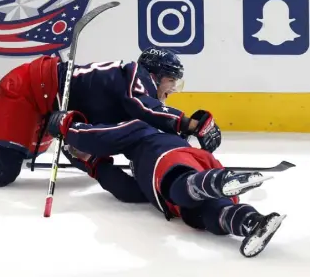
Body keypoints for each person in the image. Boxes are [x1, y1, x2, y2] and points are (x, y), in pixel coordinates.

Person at [0, 47, 218, 188]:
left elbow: (109, 130)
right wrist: (190, 123)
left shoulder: (132, 88)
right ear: (156, 74)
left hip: (44, 101)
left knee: (34, 149)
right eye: (171, 82)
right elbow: (143, 107)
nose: (172, 90)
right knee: (1, 172)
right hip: (26, 91)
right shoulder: (136, 77)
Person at [43, 109, 286, 258]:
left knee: (180, 185)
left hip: (170, 160)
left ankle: (213, 183)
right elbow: (129, 191)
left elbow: (102, 137)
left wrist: (69, 129)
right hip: (195, 169)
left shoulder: (139, 130)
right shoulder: (136, 165)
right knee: (207, 211)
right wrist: (93, 164)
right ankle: (251, 223)